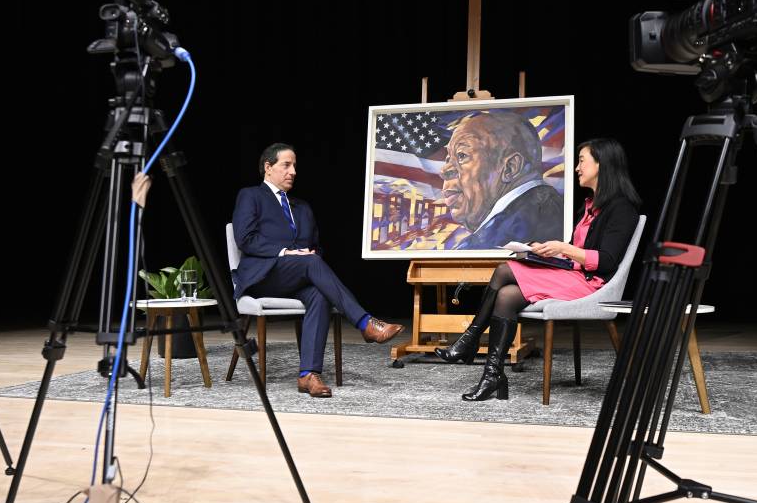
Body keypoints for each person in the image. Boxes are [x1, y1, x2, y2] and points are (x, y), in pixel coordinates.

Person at [436, 138, 642, 401]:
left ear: (603, 165)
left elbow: (606, 261)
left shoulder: (621, 208)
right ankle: (492, 375)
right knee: (505, 295)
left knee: (503, 270)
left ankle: (470, 340)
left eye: (582, 161)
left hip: (591, 284)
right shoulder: (590, 206)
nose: (577, 167)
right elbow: (576, 251)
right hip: (574, 275)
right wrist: (545, 250)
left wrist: (563, 249)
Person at [233, 143, 404, 398]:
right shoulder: (251, 196)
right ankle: (366, 323)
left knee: (319, 293)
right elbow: (245, 238)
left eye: (294, 166)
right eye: (286, 165)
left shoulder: (302, 207)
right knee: (311, 265)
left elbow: (315, 249)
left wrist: (309, 255)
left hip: (297, 274)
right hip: (264, 275)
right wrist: (285, 253)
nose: (292, 172)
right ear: (268, 168)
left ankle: (307, 375)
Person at [440, 111, 564, 249]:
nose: (444, 170)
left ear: (510, 167)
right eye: (447, 159)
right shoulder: (548, 208)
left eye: (461, 155)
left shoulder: (502, 238)